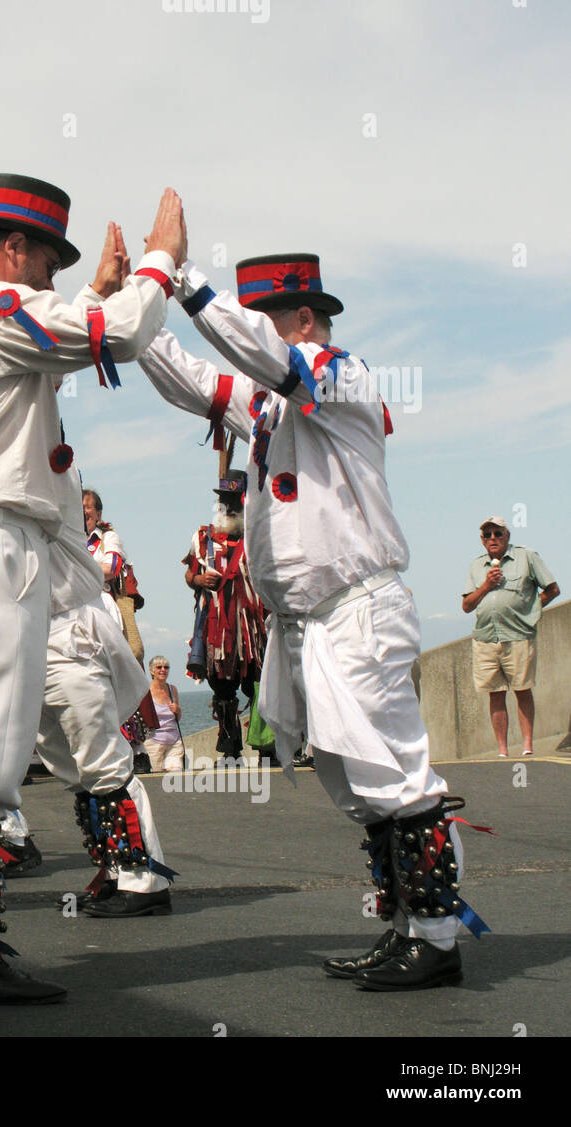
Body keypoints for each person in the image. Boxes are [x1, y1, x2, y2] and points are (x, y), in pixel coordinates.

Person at [137, 245, 486, 990]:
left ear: (303, 319)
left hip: (358, 608)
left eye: (262, 319)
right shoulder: (269, 396)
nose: (249, 332)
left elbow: (256, 355)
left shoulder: (341, 374)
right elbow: (194, 379)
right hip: (310, 626)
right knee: (357, 787)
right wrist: (128, 311)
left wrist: (182, 278)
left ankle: (438, 936)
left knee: (396, 777)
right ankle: (406, 926)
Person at [0, 173, 185, 1004]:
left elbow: (34, 357)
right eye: (47, 264)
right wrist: (161, 262)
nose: (50, 282)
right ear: (13, 249)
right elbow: (122, 331)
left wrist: (88, 291)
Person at [34, 472, 176, 917]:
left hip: (68, 633)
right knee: (72, 768)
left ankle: (145, 880)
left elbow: (109, 570)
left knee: (102, 761)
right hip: (29, 639)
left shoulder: (55, 479)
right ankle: (114, 869)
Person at [182, 470, 267, 764]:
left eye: (234, 502)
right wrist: (198, 580)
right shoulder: (203, 537)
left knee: (260, 684)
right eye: (224, 502)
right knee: (222, 687)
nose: (228, 508)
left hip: (252, 630)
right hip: (217, 629)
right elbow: (189, 573)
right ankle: (231, 750)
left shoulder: (258, 538)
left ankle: (267, 747)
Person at [462, 516, 559, 757]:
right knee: (495, 693)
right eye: (487, 535)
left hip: (517, 634)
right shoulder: (476, 566)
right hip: (486, 637)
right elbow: (466, 605)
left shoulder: (526, 556)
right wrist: (485, 586)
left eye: (498, 533)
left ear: (507, 536)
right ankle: (502, 750)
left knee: (522, 689)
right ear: (482, 540)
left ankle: (527, 745)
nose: (492, 538)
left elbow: (552, 589)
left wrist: (531, 610)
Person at [82, 488, 144, 668]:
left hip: (102, 605)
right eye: (78, 507)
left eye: (87, 507)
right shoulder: (67, 539)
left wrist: (76, 573)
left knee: (126, 656)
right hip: (74, 603)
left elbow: (111, 569)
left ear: (98, 513)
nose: (83, 512)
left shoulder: (108, 538)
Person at [140, 656, 186, 772]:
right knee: (157, 780)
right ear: (151, 671)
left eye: (166, 667)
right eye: (159, 667)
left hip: (174, 742)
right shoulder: (146, 691)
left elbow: (177, 718)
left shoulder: (172, 689)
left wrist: (178, 710)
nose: (163, 670)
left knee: (175, 776)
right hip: (154, 743)